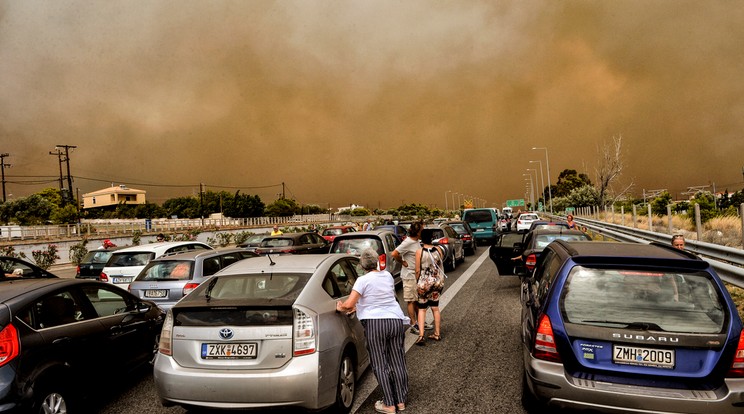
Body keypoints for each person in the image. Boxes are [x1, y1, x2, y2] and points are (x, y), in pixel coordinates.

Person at [336, 248, 409, 414]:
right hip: (395, 320)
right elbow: (378, 296)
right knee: (398, 361)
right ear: (377, 262)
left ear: (362, 265)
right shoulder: (388, 276)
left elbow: (349, 304)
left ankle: (389, 404)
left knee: (380, 363)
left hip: (376, 324)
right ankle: (401, 400)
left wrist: (341, 307)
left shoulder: (362, 280)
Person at [391, 221, 432, 335]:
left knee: (418, 300)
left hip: (417, 275)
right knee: (411, 300)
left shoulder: (417, 242)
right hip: (409, 276)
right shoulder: (408, 242)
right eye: (422, 230)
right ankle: (414, 324)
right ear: (417, 232)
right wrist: (402, 262)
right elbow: (394, 253)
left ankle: (421, 322)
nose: (423, 232)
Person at [414, 234, 446, 346]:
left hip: (424, 283)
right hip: (436, 283)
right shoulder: (438, 250)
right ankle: (437, 333)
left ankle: (421, 335)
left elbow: (417, 270)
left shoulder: (419, 252)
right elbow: (440, 264)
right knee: (435, 307)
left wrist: (417, 281)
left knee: (422, 309)